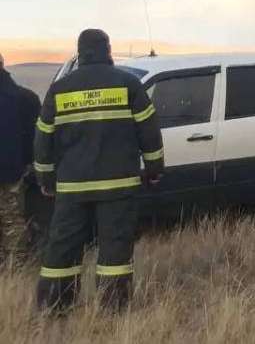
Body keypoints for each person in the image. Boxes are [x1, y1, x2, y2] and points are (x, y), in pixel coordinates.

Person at [34, 29, 165, 312]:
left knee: (62, 250)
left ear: (80, 54)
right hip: (118, 186)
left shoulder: (59, 89)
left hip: (72, 189)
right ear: (108, 50)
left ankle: (54, 308)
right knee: (115, 250)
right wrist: (154, 167)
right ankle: (113, 309)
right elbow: (149, 132)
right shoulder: (128, 84)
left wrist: (45, 178)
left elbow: (43, 138)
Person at [0, 52, 41, 265]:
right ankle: (15, 270)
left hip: (11, 170)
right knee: (13, 222)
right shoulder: (26, 98)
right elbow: (35, 139)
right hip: (13, 170)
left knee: (12, 223)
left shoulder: (22, 98)